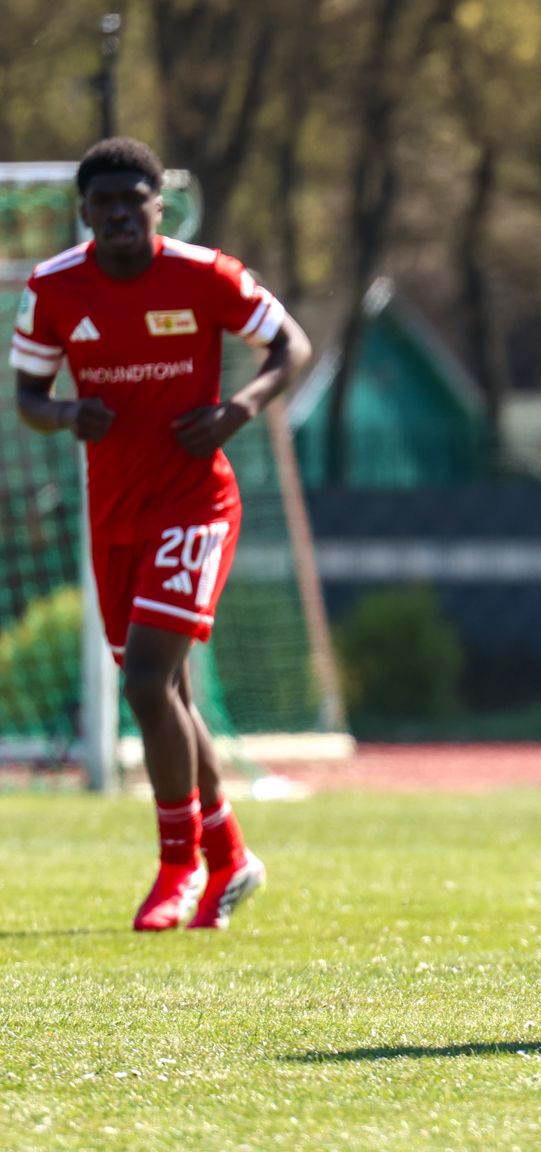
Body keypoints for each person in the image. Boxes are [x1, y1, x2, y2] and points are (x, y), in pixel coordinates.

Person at [11, 138, 311, 931]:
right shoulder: (51, 289)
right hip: (116, 516)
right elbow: (28, 396)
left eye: (131, 202)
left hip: (197, 504)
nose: (117, 215)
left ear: (156, 206)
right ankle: (231, 858)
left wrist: (237, 410)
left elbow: (292, 347)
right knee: (168, 694)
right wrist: (69, 413)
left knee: (146, 682)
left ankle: (176, 866)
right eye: (102, 204)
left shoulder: (204, 273)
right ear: (84, 214)